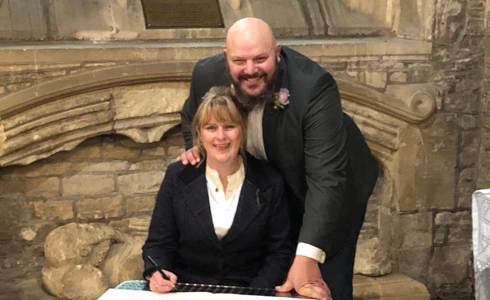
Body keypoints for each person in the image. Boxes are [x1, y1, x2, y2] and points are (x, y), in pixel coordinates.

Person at [179, 18, 379, 300]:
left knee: (318, 277)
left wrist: (307, 255)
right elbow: (191, 115)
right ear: (226, 58)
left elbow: (326, 180)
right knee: (267, 270)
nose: (250, 70)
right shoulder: (206, 74)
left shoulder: (313, 87)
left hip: (332, 183)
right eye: (240, 61)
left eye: (260, 58)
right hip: (270, 186)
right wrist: (198, 146)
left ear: (278, 52)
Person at [142, 86, 293, 293]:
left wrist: (252, 295)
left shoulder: (269, 180)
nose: (221, 137)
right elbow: (159, 243)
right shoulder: (177, 176)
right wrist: (157, 271)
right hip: (186, 291)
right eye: (211, 128)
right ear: (199, 134)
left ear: (243, 129)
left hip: (249, 292)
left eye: (229, 126)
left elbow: (279, 253)